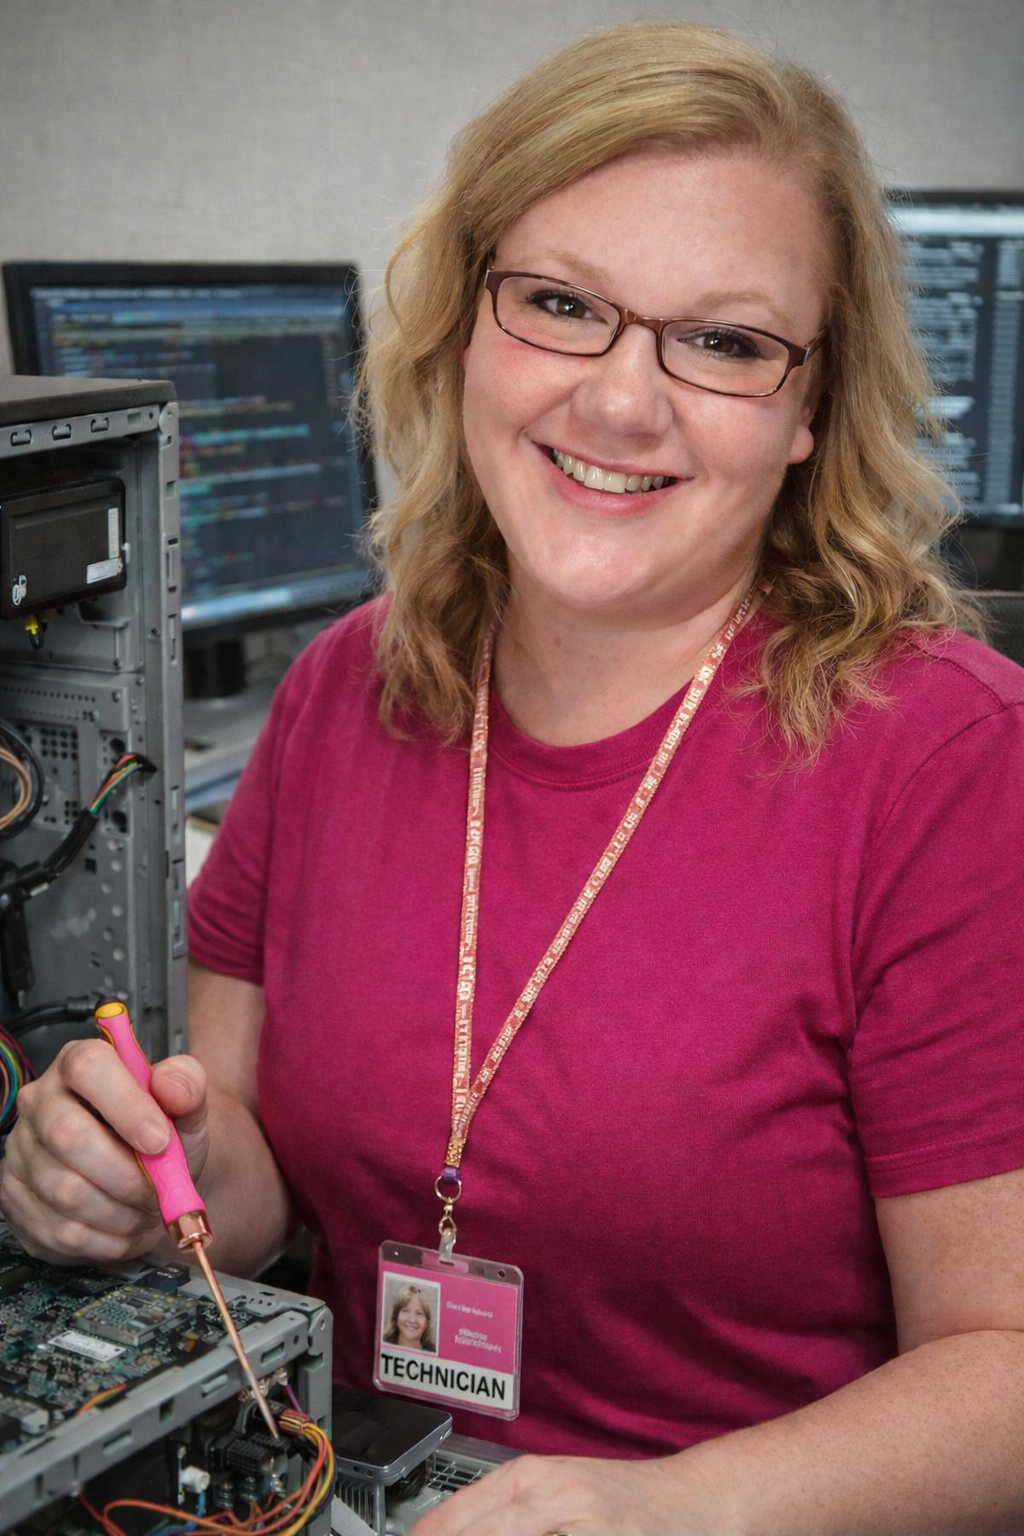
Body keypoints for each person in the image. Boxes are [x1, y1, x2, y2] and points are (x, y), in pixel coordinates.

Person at [1, 20, 1022, 1535]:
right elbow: (271, 1189)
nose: (621, 404)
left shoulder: (948, 758)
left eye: (726, 342)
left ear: (811, 412)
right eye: (560, 304)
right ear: (464, 327)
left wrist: (667, 1512)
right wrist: (150, 1181)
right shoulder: (347, 686)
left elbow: (1005, 1369)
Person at [383, 1282, 436, 1352]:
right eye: (406, 1311)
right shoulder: (383, 1344)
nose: (412, 1320)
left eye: (419, 1313)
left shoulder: (433, 1352)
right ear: (396, 1316)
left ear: (427, 1323)